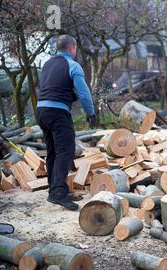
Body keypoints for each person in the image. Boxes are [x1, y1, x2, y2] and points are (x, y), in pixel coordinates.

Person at [36, 34, 97, 211]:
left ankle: (54, 188)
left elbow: (51, 87)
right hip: (57, 113)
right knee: (66, 151)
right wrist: (91, 113)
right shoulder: (73, 65)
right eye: (75, 48)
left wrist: (68, 96)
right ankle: (58, 194)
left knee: (53, 151)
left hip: (41, 111)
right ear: (72, 48)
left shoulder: (47, 64)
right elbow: (84, 94)